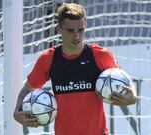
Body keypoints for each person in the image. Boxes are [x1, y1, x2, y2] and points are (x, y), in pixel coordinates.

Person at [14, 3, 137, 135]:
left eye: (80, 30)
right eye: (70, 31)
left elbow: (124, 80)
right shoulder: (48, 59)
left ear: (85, 27)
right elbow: (27, 89)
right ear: (59, 29)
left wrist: (133, 97)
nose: (77, 36)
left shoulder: (100, 55)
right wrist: (17, 112)